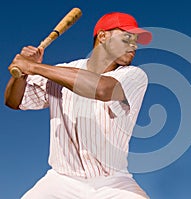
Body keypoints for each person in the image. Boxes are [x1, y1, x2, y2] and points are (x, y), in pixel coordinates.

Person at [5, 11, 152, 199]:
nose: (134, 45)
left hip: (113, 182)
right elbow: (13, 101)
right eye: (127, 37)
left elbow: (102, 89)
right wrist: (21, 74)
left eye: (136, 40)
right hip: (61, 180)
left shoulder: (134, 75)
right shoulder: (60, 73)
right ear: (103, 36)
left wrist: (33, 67)